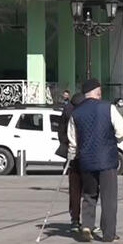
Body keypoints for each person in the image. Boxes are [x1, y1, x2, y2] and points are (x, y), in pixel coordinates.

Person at [68, 79, 123, 242]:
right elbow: (121, 133)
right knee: (109, 198)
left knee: (89, 194)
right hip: (107, 160)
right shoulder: (109, 108)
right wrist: (112, 141)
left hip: (86, 160)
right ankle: (109, 234)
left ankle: (87, 225)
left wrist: (72, 157)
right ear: (97, 92)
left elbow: (73, 140)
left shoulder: (76, 113)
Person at [56, 92, 86, 232]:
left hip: (72, 154)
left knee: (74, 189)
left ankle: (75, 219)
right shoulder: (82, 112)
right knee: (89, 190)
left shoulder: (67, 110)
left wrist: (67, 145)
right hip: (85, 154)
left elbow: (61, 132)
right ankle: (86, 220)